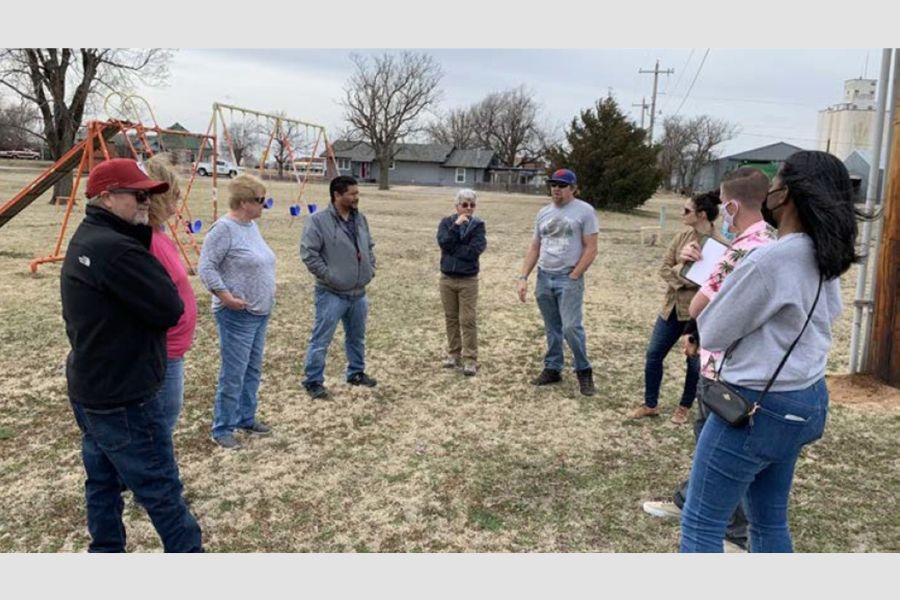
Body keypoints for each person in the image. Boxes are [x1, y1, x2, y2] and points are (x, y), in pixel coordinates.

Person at [679, 151, 861, 552]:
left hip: (756, 405)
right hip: (805, 398)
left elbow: (713, 329)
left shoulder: (770, 259)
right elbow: (830, 313)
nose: (770, 191)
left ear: (787, 195)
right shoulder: (823, 253)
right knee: (768, 520)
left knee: (701, 524)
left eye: (776, 182)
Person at [60, 158, 202, 552]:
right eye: (138, 195)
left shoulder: (90, 236)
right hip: (124, 394)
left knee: (102, 480)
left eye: (149, 195)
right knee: (161, 489)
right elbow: (168, 307)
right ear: (106, 197)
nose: (146, 202)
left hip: (93, 384)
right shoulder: (118, 249)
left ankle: (105, 549)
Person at [642, 167, 776, 551]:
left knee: (723, 450)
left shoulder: (743, 249)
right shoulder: (772, 240)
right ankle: (687, 499)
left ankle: (735, 532)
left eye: (723, 202)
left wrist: (696, 330)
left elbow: (703, 303)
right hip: (728, 361)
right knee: (709, 443)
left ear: (731, 206)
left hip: (728, 368)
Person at [630, 190, 723, 424]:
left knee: (693, 363)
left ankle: (684, 407)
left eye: (687, 210)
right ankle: (650, 404)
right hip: (671, 309)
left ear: (702, 214)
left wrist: (683, 274)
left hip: (697, 315)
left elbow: (713, 284)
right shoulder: (681, 237)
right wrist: (685, 272)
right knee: (653, 355)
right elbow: (664, 268)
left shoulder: (721, 246)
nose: (682, 214)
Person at [198, 173, 276, 451]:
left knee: (252, 369)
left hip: (259, 312)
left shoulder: (250, 226)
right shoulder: (224, 229)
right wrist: (225, 296)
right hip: (237, 315)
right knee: (234, 373)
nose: (264, 205)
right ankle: (222, 428)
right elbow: (206, 266)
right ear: (244, 202)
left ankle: (246, 417)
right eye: (260, 200)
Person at [516, 168, 599, 396]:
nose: (556, 189)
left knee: (571, 327)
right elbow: (535, 247)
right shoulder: (543, 213)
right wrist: (523, 277)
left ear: (573, 188)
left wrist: (575, 274)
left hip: (568, 277)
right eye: (553, 185)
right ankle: (553, 367)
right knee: (552, 327)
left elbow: (591, 248)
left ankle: (583, 370)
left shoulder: (585, 211)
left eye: (562, 185)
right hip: (544, 276)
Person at [300, 175, 377, 399]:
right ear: (337, 195)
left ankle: (356, 372)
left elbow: (369, 247)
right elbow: (309, 254)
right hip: (331, 293)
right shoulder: (318, 221)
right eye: (352, 194)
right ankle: (313, 380)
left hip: (358, 293)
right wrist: (330, 277)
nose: (356, 197)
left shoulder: (360, 219)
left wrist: (370, 268)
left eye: (357, 193)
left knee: (356, 337)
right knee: (321, 339)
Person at [144, 153, 198, 434]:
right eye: (173, 197)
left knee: (166, 420)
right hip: (161, 352)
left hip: (173, 349)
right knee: (158, 426)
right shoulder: (144, 240)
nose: (177, 207)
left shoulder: (160, 234)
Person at [437, 188, 487, 376]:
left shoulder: (478, 225)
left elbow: (474, 251)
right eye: (465, 204)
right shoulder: (446, 223)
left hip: (468, 280)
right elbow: (443, 242)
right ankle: (454, 355)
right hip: (447, 279)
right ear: (457, 206)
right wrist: (456, 226)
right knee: (451, 318)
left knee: (467, 320)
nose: (468, 208)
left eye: (472, 205)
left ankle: (470, 359)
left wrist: (453, 249)